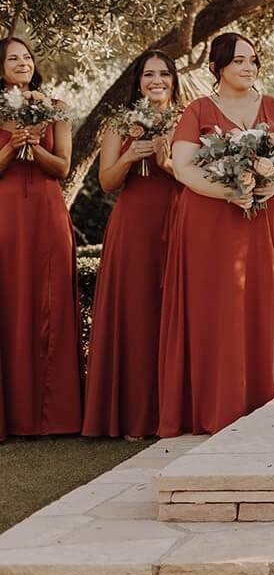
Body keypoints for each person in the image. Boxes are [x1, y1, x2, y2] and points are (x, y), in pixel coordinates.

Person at [158, 32, 274, 435]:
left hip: (267, 221)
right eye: (239, 61)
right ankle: (218, 402)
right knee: (219, 308)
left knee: (265, 300)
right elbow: (185, 167)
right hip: (212, 223)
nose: (248, 67)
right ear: (217, 67)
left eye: (253, 60)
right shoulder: (197, 110)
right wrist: (231, 191)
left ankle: (269, 398)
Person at [83, 51, 183, 439]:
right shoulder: (118, 123)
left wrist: (168, 161)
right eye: (148, 74)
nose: (156, 80)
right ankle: (136, 416)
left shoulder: (189, 119)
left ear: (173, 79)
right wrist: (129, 155)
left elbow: (195, 176)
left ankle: (176, 411)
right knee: (137, 312)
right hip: (133, 225)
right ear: (137, 81)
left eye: (163, 74)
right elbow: (107, 182)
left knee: (176, 312)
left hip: (178, 219)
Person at [0, 37, 82, 439]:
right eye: (13, 58)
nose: (23, 63)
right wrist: (11, 148)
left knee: (50, 302)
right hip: (6, 215)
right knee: (9, 301)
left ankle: (55, 415)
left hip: (47, 214)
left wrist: (35, 144)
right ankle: (11, 415)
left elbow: (62, 166)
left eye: (27, 57)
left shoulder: (57, 109)